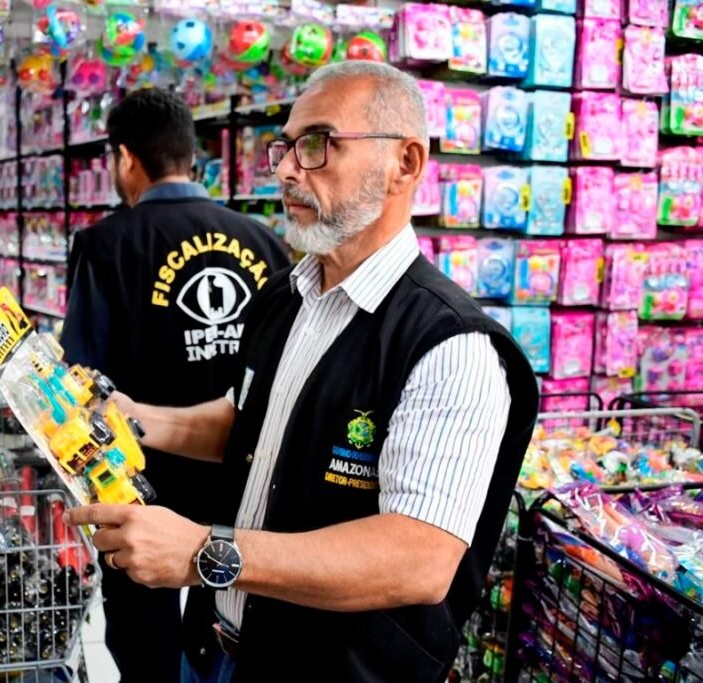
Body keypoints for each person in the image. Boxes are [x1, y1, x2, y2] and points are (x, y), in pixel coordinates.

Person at [65, 62, 539, 682]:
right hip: (216, 650)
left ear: (405, 163)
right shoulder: (288, 296)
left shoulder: (451, 346)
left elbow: (419, 559)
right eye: (284, 147)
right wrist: (135, 419)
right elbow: (248, 419)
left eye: (318, 144)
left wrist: (204, 552)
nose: (288, 169)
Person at [60, 88, 290, 683]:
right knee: (230, 623)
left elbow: (81, 375)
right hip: (239, 477)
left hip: (140, 482)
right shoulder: (265, 242)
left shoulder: (105, 244)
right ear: (191, 155)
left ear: (125, 158)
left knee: (145, 638)